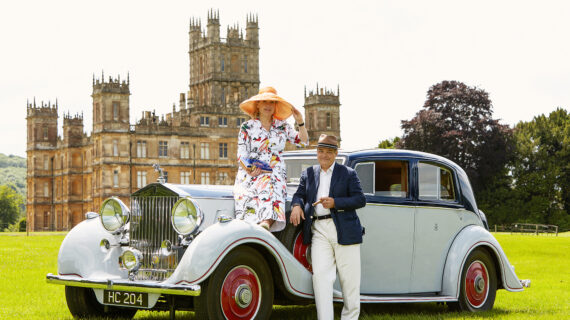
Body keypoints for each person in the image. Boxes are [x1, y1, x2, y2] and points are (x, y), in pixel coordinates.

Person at [290, 134, 366, 320]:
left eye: (329, 152)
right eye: (321, 151)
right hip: (318, 230)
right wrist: (296, 205)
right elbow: (299, 194)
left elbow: (360, 199)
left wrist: (335, 203)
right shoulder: (308, 173)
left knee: (350, 281)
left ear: (335, 154)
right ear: (317, 152)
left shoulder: (348, 173)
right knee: (321, 278)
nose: (324, 155)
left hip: (344, 229)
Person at [234, 86, 309, 231]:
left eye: (272, 102)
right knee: (248, 194)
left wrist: (300, 121)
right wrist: (250, 169)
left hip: (275, 172)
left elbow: (303, 142)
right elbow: (241, 155)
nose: (268, 105)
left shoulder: (282, 127)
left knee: (272, 183)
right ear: (258, 104)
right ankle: (251, 228)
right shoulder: (247, 127)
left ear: (275, 106)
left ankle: (265, 224)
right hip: (251, 172)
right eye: (264, 101)